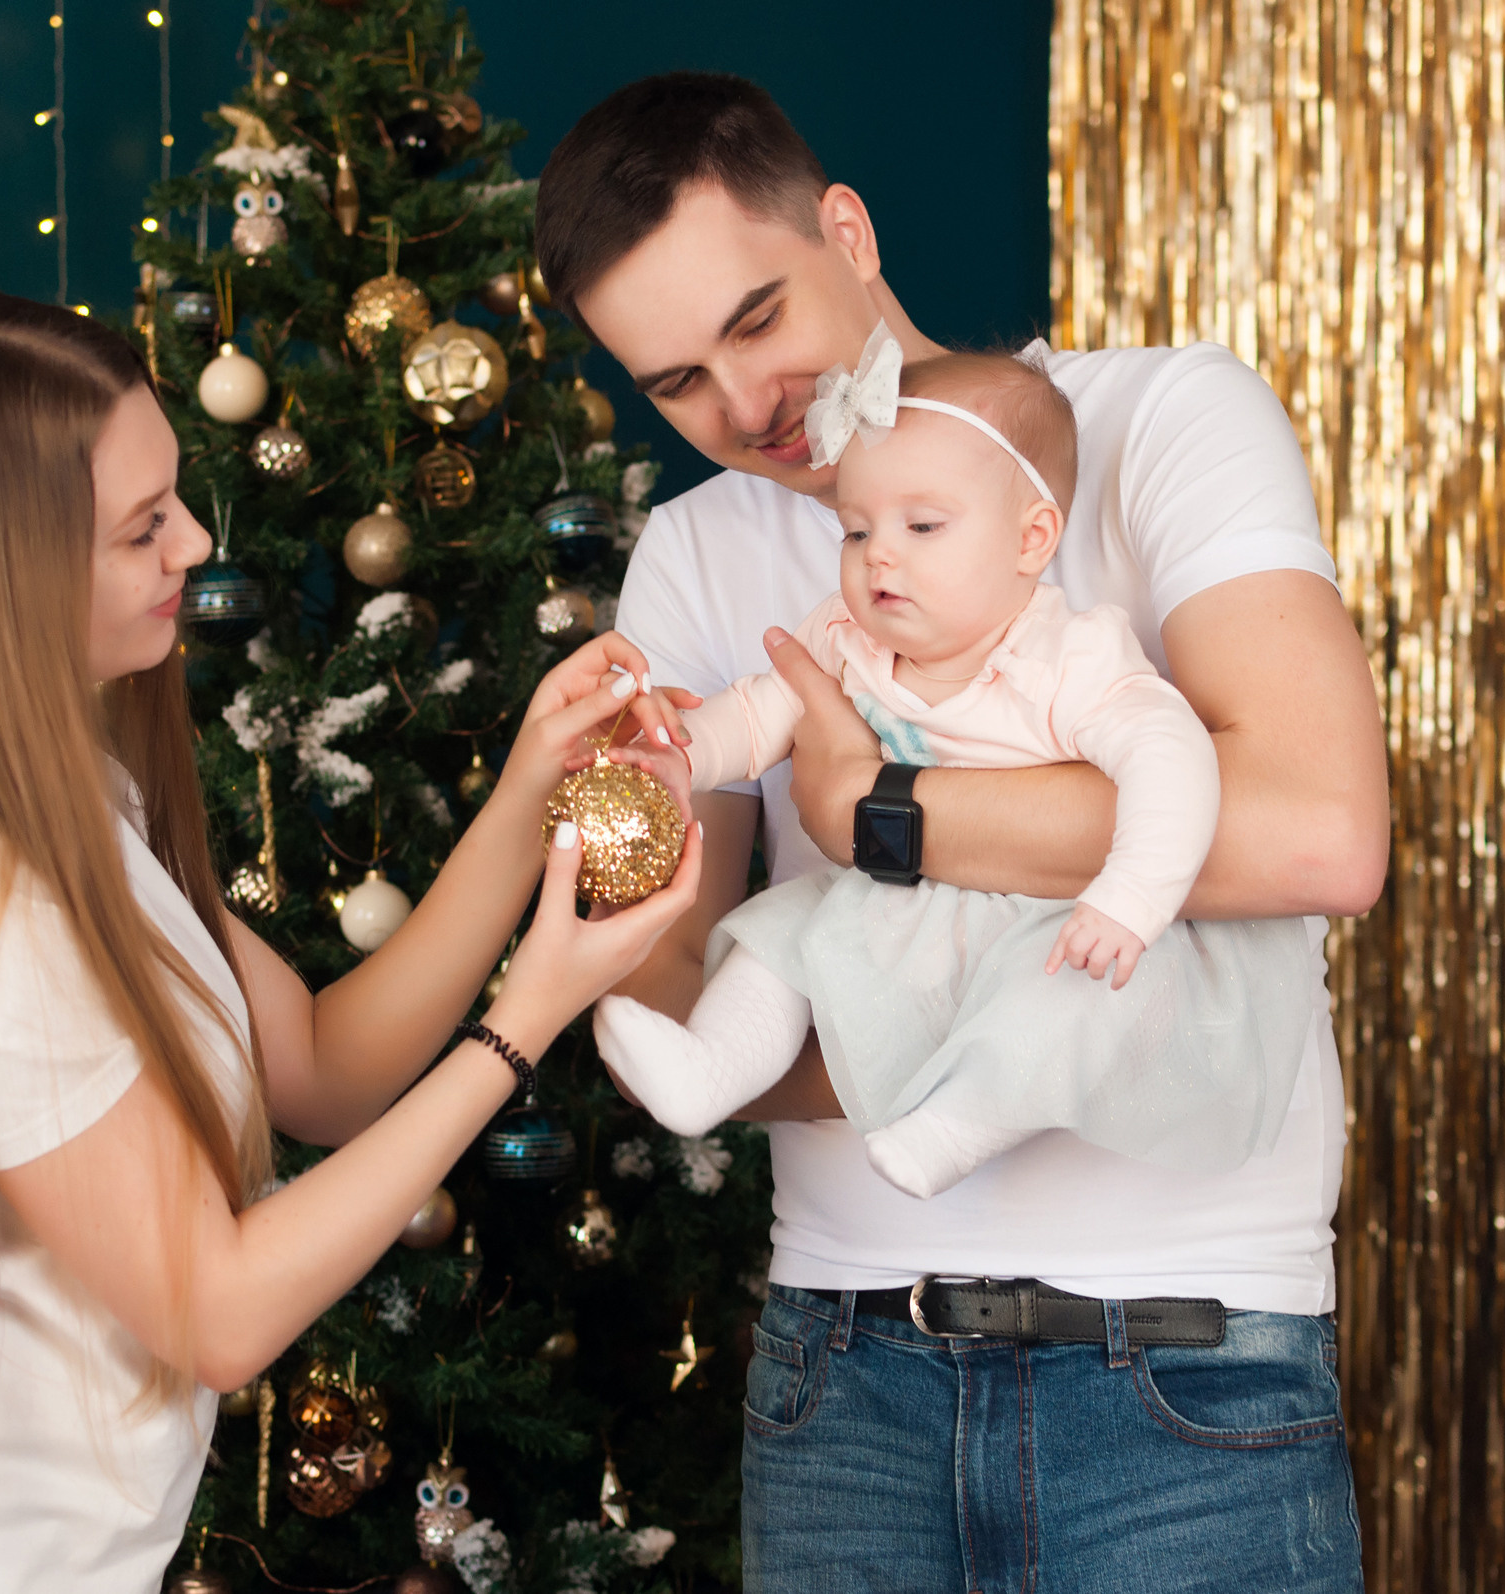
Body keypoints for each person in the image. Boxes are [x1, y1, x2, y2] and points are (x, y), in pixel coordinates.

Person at [0, 281, 701, 1594]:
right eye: (141, 528)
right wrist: (533, 1012)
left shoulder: (75, 805)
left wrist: (529, 792)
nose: (193, 540)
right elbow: (220, 1311)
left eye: (174, 496)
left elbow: (321, 1060)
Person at [535, 73, 1386, 1591]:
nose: (745, 410)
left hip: (1187, 1362)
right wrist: (618, 803)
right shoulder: (699, 550)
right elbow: (661, 988)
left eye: (754, 322)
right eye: (675, 384)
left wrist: (881, 819)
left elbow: (1320, 834)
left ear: (846, 231)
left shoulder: (1158, 417)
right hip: (842, 1375)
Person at [595, 339, 1318, 1200]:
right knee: (781, 938)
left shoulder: (1068, 656)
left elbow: (1175, 766)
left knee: (1065, 1006)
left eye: (923, 527)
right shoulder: (848, 640)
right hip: (899, 913)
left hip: (1040, 917)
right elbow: (759, 713)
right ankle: (710, 1068)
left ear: (1030, 538)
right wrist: (682, 756)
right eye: (856, 530)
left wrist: (1129, 898)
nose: (879, 557)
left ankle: (957, 1124)